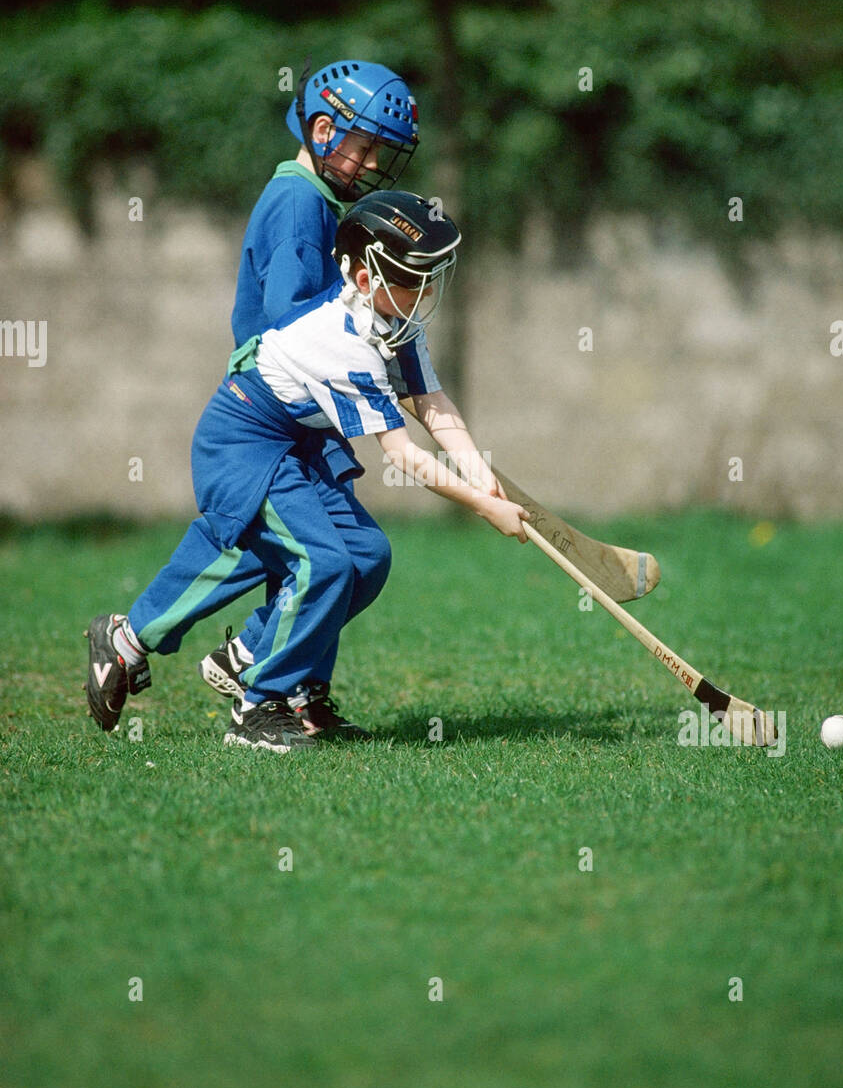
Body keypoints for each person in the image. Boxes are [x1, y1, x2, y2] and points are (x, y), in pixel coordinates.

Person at [86, 190, 528, 750]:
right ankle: (258, 704)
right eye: (413, 278)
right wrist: (486, 507)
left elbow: (431, 400)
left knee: (366, 557)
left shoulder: (393, 319)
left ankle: (243, 655)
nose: (429, 292)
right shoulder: (343, 343)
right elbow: (404, 456)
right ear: (365, 279)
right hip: (243, 443)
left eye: (430, 276)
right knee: (321, 562)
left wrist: (476, 468)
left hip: (297, 444)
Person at [86, 60, 422, 737]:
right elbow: (292, 319)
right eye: (364, 145)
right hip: (268, 420)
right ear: (323, 129)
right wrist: (367, 355)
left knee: (361, 556)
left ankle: (281, 679)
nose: (372, 162)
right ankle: (246, 684)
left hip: (304, 423)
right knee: (295, 554)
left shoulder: (325, 203)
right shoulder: (299, 203)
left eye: (381, 151)